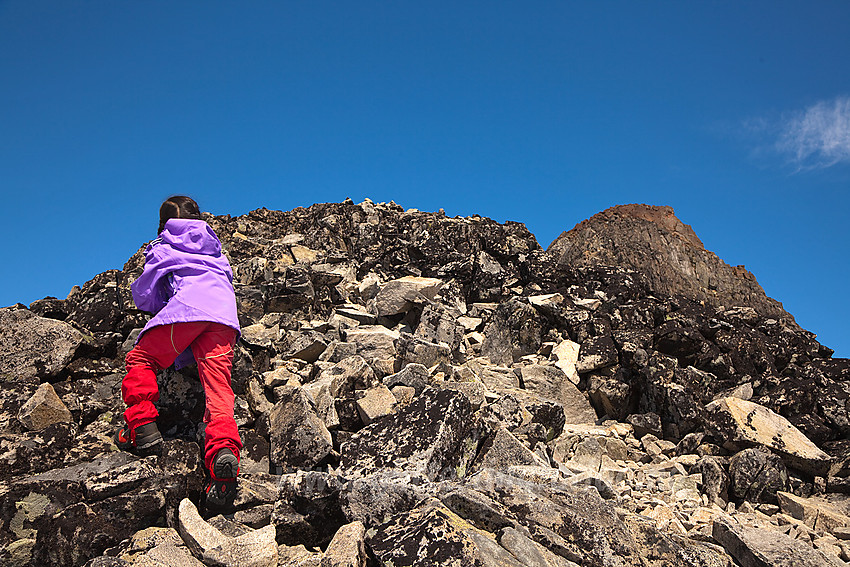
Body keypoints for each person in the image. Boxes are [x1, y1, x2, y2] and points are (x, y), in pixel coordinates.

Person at [114, 195, 242, 509]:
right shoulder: (214, 245)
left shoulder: (164, 244)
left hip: (189, 309)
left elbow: (147, 292)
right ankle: (223, 453)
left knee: (142, 357)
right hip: (223, 316)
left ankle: (141, 425)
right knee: (218, 389)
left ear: (164, 222)